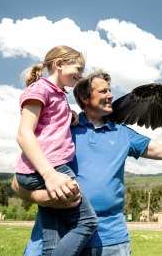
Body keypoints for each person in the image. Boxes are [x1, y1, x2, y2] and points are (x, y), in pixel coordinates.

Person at [12, 69, 162, 256]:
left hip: (111, 240)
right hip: (58, 237)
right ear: (85, 98)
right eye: (103, 91)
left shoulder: (122, 134)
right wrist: (44, 197)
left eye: (110, 90)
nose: (111, 95)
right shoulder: (61, 130)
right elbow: (18, 182)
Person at [15, 45, 98, 256]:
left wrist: (68, 114)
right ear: (59, 64)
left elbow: (48, 121)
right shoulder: (39, 89)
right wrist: (50, 174)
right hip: (50, 169)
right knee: (87, 223)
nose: (81, 75)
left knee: (52, 240)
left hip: (45, 170)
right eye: (78, 69)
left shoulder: (58, 95)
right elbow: (24, 133)